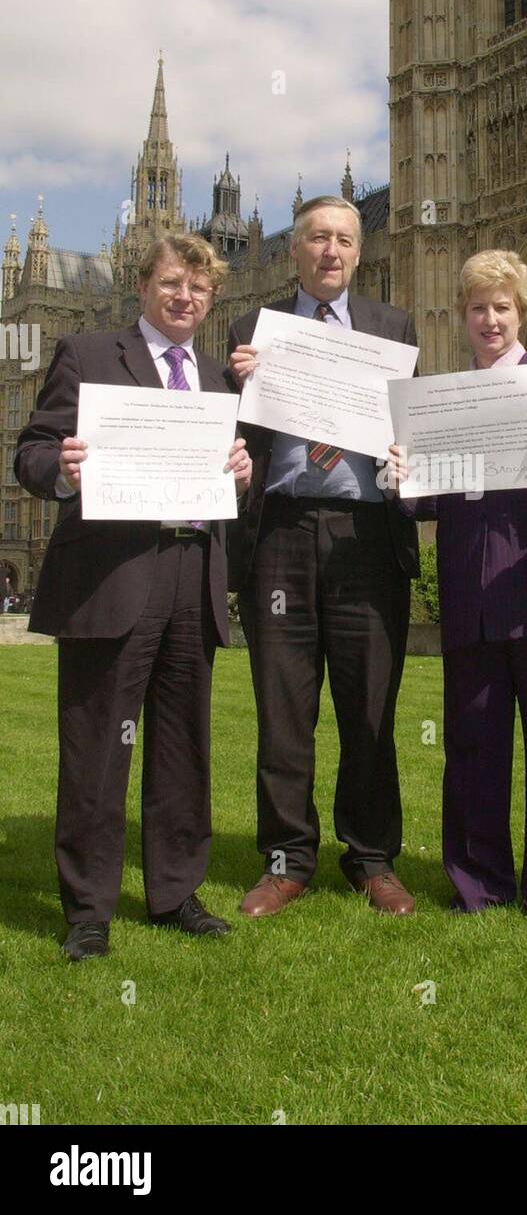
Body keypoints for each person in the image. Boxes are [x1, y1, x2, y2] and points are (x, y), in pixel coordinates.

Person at [15, 234, 252, 961]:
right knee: (95, 748)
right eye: (173, 284)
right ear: (144, 285)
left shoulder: (216, 380)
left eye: (199, 289)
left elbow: (235, 476)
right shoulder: (88, 356)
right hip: (112, 574)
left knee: (183, 747)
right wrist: (63, 463)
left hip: (191, 572)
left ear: (212, 299)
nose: (186, 298)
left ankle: (175, 892)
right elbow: (31, 452)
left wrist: (242, 470)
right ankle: (88, 908)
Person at [390, 250, 527, 927]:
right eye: (477, 308)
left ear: (522, 312)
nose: (489, 320)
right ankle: (479, 886)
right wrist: (400, 481)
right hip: (473, 589)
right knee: (474, 746)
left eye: (501, 307)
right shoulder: (443, 395)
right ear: (461, 316)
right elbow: (429, 502)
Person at [228, 195, 419, 917]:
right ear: (293, 253)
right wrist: (237, 382)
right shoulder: (256, 328)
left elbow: (411, 424)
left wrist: (412, 456)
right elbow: (232, 435)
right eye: (316, 238)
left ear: (359, 253)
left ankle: (371, 857)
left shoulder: (391, 328)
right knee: (283, 707)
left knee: (369, 706)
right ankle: (285, 860)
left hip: (365, 532)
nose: (330, 251)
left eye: (343, 239)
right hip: (280, 529)